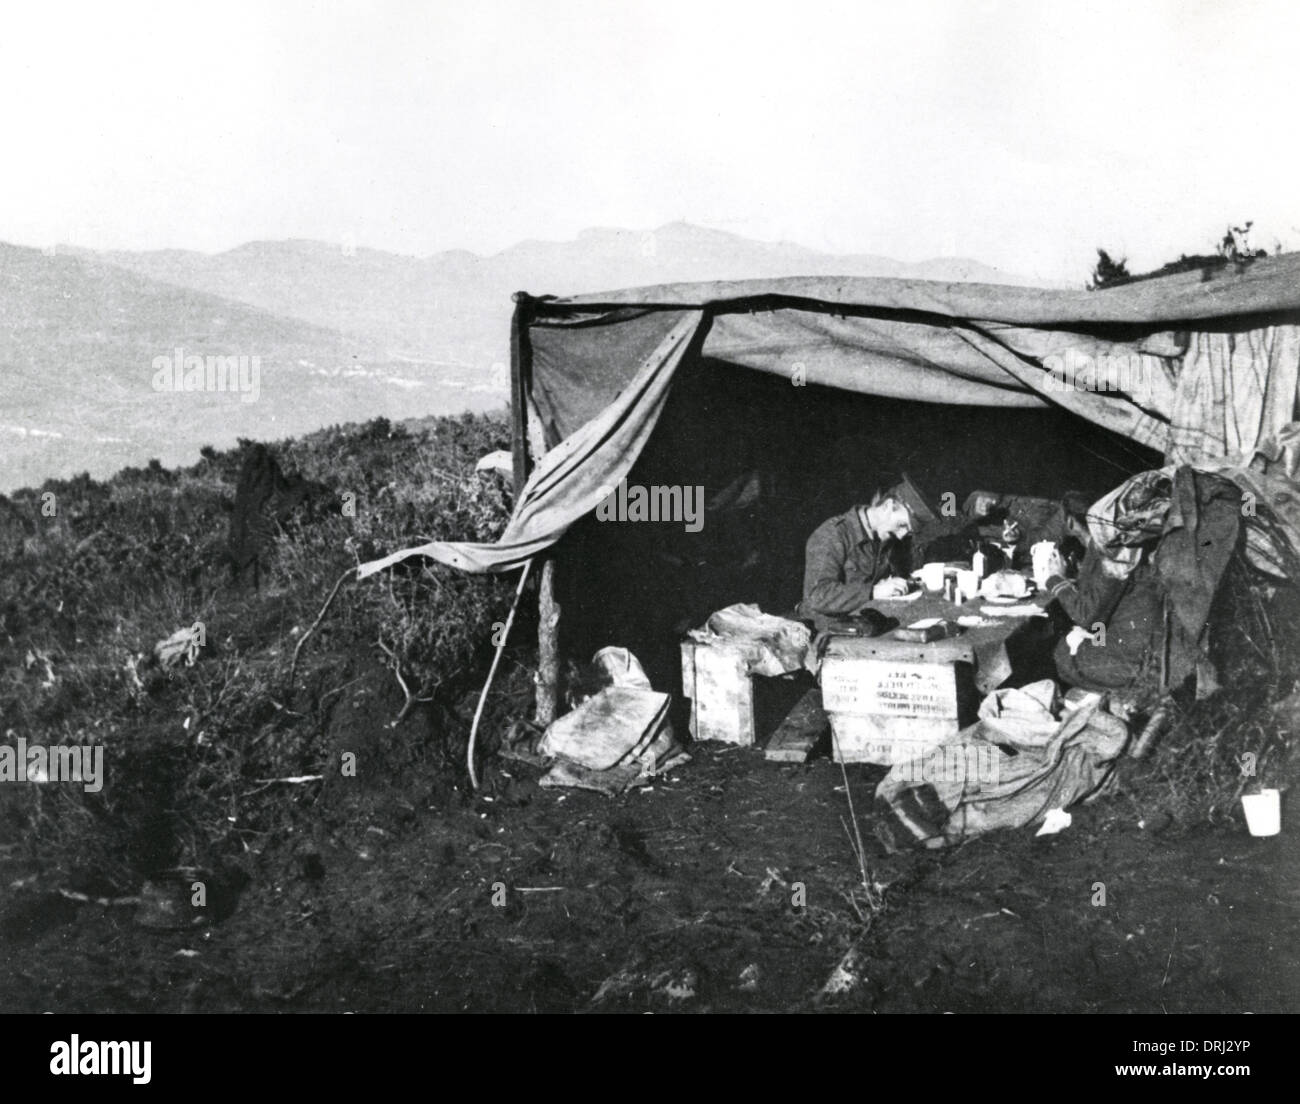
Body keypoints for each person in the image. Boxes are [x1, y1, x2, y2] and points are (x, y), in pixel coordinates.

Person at [1035, 491, 1164, 695]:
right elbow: (1102, 612)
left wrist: (1054, 579)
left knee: (1061, 653)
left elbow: (1088, 615)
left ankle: (1117, 694)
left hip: (1135, 661)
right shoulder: (1121, 545)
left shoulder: (1111, 553)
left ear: (1069, 522)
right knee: (1078, 640)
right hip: (1140, 643)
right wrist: (1092, 637)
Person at [797, 487, 916, 629]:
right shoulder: (832, 534)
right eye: (902, 525)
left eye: (907, 531)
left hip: (868, 624)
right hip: (829, 632)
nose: (901, 535)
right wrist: (874, 591)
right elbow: (817, 596)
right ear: (887, 506)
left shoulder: (884, 534)